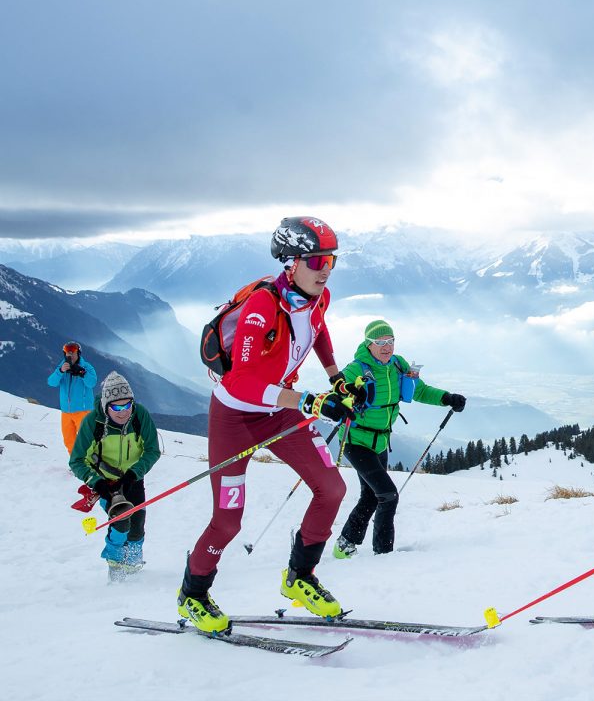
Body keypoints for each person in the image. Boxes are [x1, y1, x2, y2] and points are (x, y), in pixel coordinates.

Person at [177, 217, 370, 634]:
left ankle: (299, 577)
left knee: (332, 489)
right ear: (291, 262)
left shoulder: (320, 296)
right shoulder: (262, 305)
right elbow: (241, 381)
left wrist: (337, 378)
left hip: (279, 410)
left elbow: (317, 332)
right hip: (235, 416)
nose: (325, 269)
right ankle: (193, 592)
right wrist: (309, 400)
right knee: (229, 521)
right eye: (317, 260)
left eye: (331, 261)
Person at [332, 319, 467, 559]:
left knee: (371, 495)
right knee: (388, 495)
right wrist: (347, 397)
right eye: (380, 342)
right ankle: (383, 555)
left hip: (381, 442)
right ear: (369, 344)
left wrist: (447, 398)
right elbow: (337, 390)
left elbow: (419, 390)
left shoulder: (397, 365)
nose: (386, 346)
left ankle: (345, 544)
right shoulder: (356, 368)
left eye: (390, 341)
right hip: (355, 441)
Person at [68, 372, 161, 580]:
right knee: (120, 523)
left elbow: (153, 450)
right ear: (106, 405)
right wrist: (97, 482)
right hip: (105, 480)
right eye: (116, 407)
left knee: (137, 525)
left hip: (133, 477)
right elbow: (76, 460)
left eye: (127, 405)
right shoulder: (93, 422)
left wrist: (134, 474)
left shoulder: (140, 416)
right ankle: (116, 565)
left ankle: (133, 563)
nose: (123, 412)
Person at [47, 340, 98, 452]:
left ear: (78, 353)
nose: (69, 355)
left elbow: (92, 383)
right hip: (66, 411)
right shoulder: (62, 367)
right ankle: (76, 465)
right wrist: (60, 371)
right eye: (67, 352)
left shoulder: (87, 367)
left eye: (72, 352)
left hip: (83, 411)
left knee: (86, 440)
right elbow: (51, 382)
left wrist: (82, 373)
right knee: (69, 440)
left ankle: (91, 464)